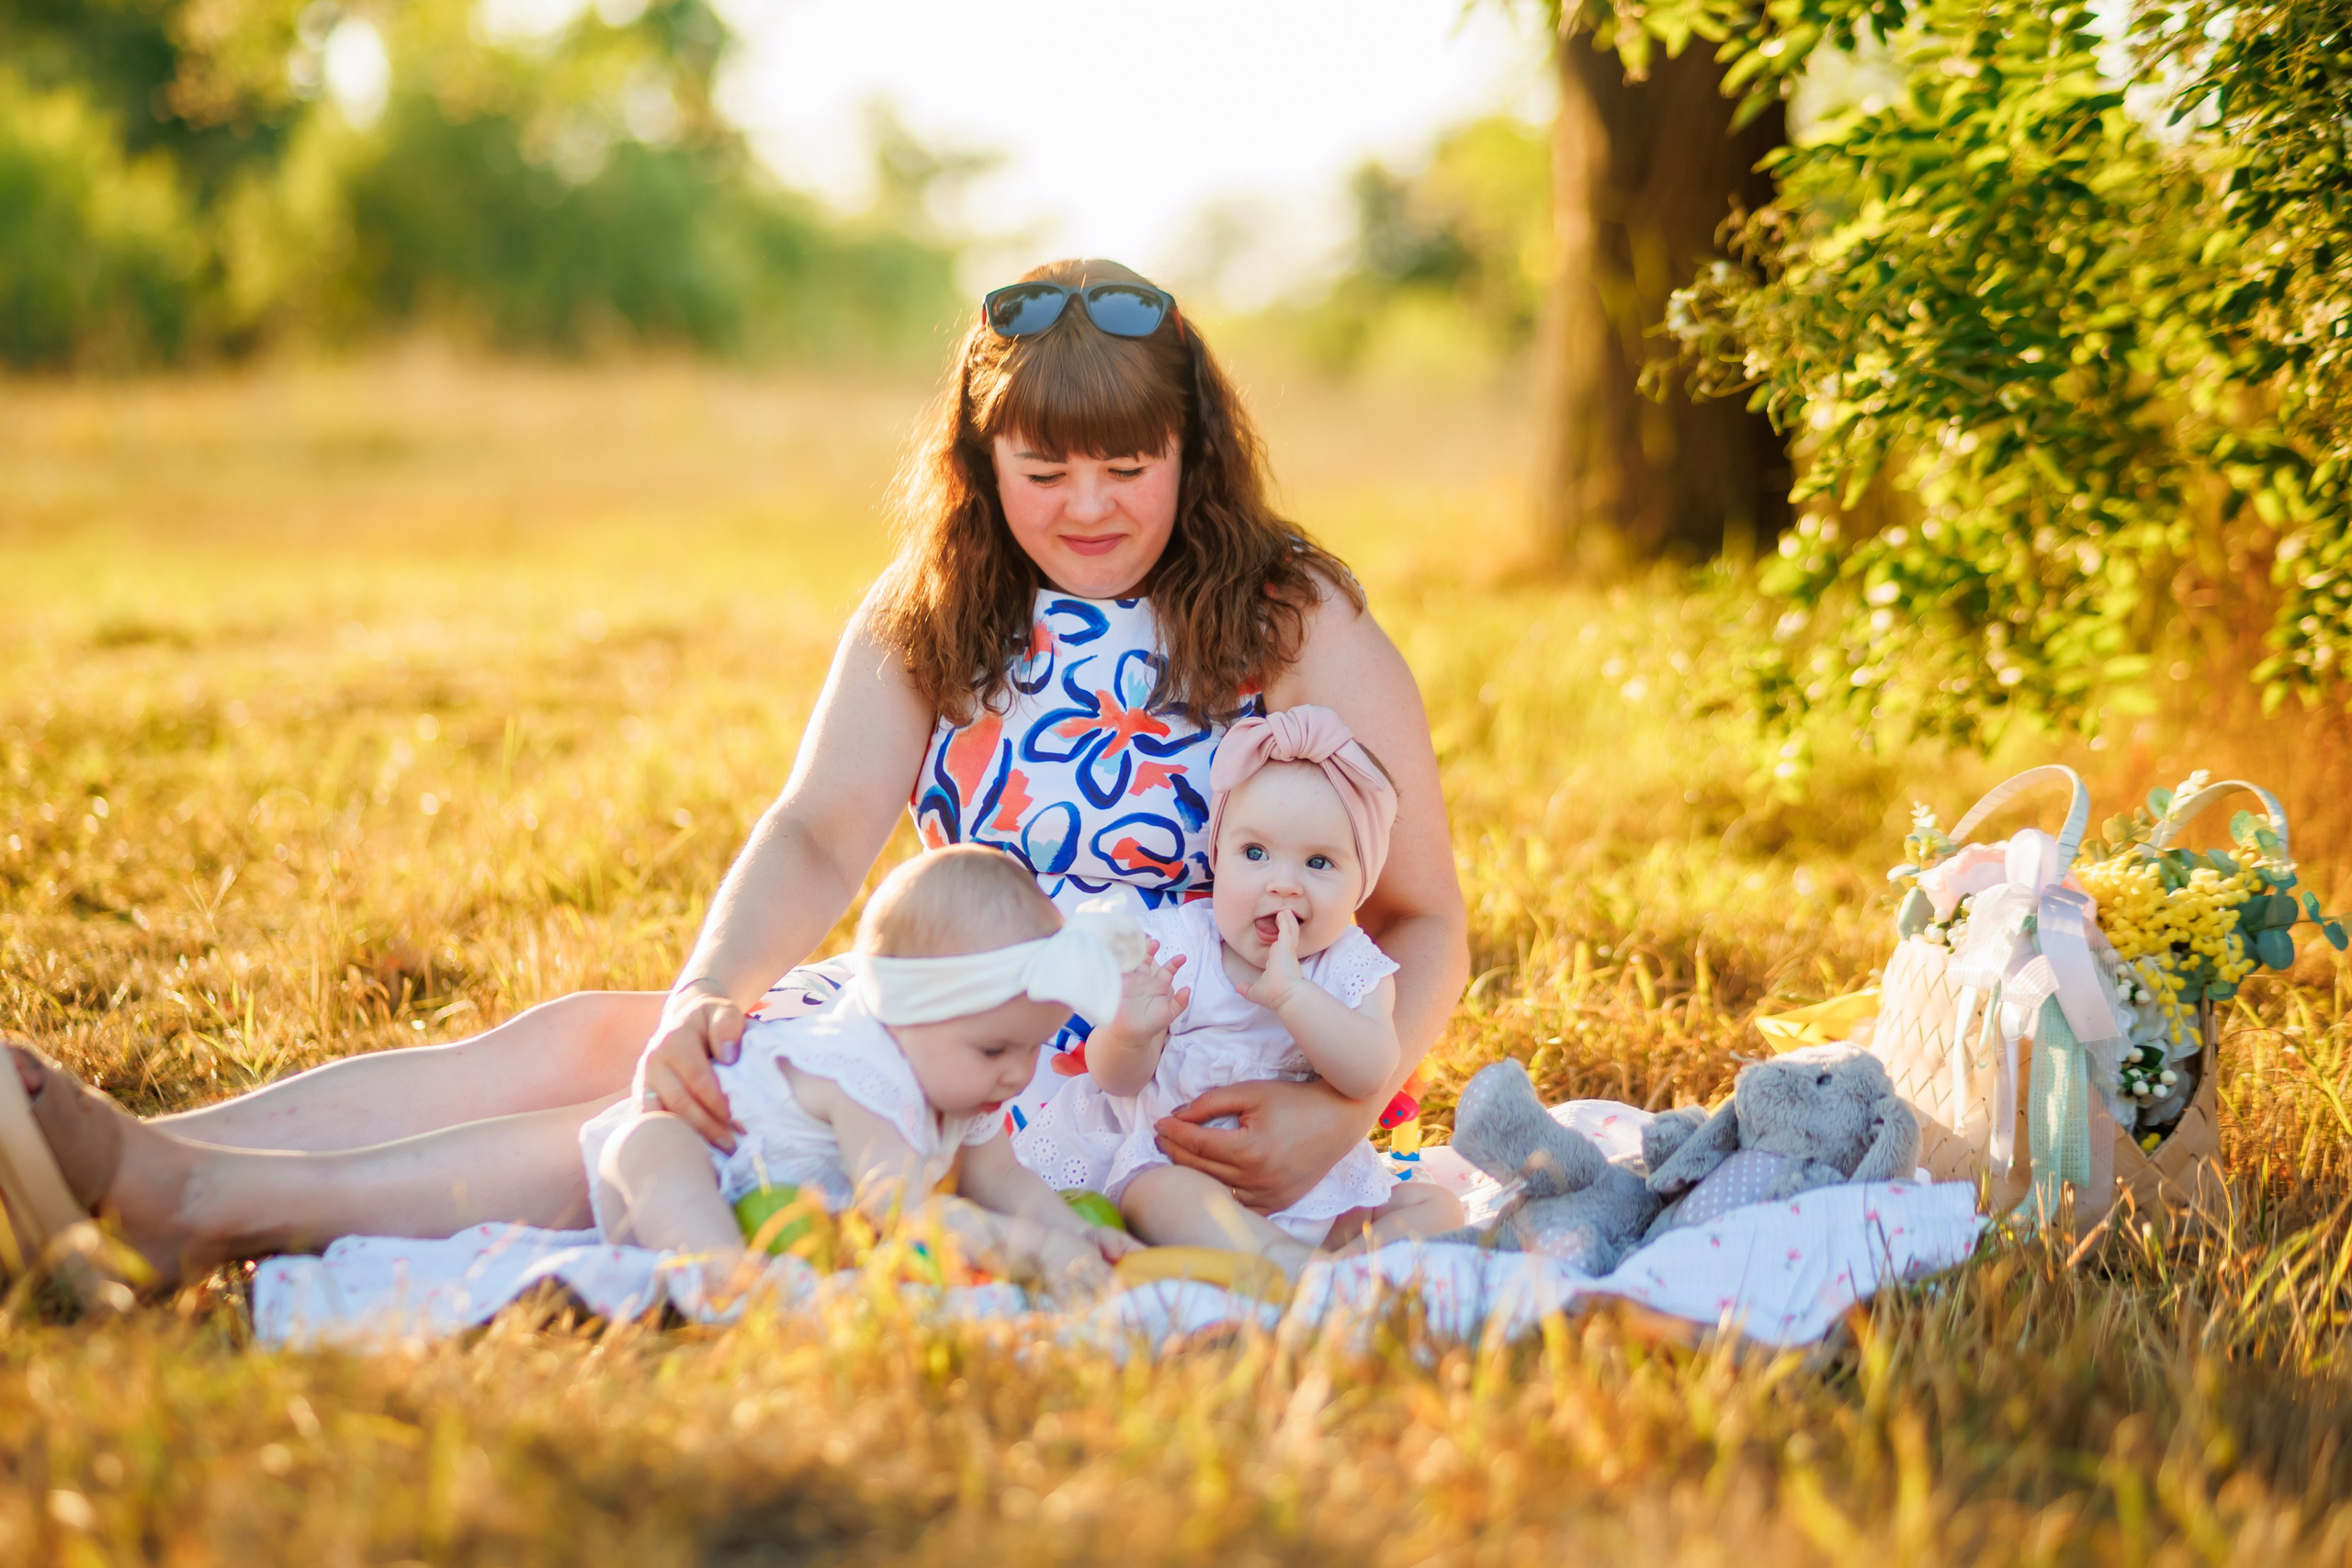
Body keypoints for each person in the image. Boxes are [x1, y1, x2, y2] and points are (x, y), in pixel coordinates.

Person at [0, 258, 1468, 1291]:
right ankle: (113, 1162)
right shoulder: (943, 603)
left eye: (1127, 464)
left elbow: (1423, 919)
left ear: (1193, 448)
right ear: (981, 458)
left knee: (699, 1121)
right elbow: (820, 836)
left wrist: (1344, 1110)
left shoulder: (1289, 615)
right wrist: (713, 986)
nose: (1084, 506)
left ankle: (203, 1205)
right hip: (974, 1009)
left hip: (1171, 1075)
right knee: (623, 1033)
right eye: (1042, 467)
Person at [1013, 707, 1463, 1279]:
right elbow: (1114, 1080)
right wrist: (1130, 1030)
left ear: (1362, 883)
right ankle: (1294, 1273)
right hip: (1185, 1175)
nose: (1282, 881)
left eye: (1319, 862)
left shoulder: (1351, 965)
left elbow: (1371, 1069)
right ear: (1217, 860)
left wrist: (1294, 997)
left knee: (1436, 1207)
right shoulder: (1181, 946)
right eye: (1254, 854)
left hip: (1316, 1193)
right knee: (1155, 1195)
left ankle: (1332, 1269)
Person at [588, 847, 1138, 1303]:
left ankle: (758, 1279)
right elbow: (902, 1212)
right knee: (653, 1142)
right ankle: (724, 1281)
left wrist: (1077, 1236)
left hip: (789, 1223)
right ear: (905, 1012)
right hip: (681, 1173)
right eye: (995, 1050)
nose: (1018, 1075)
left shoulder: (959, 1082)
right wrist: (1035, 1252)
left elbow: (1003, 1180)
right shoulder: (863, 1072)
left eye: (1033, 1049)